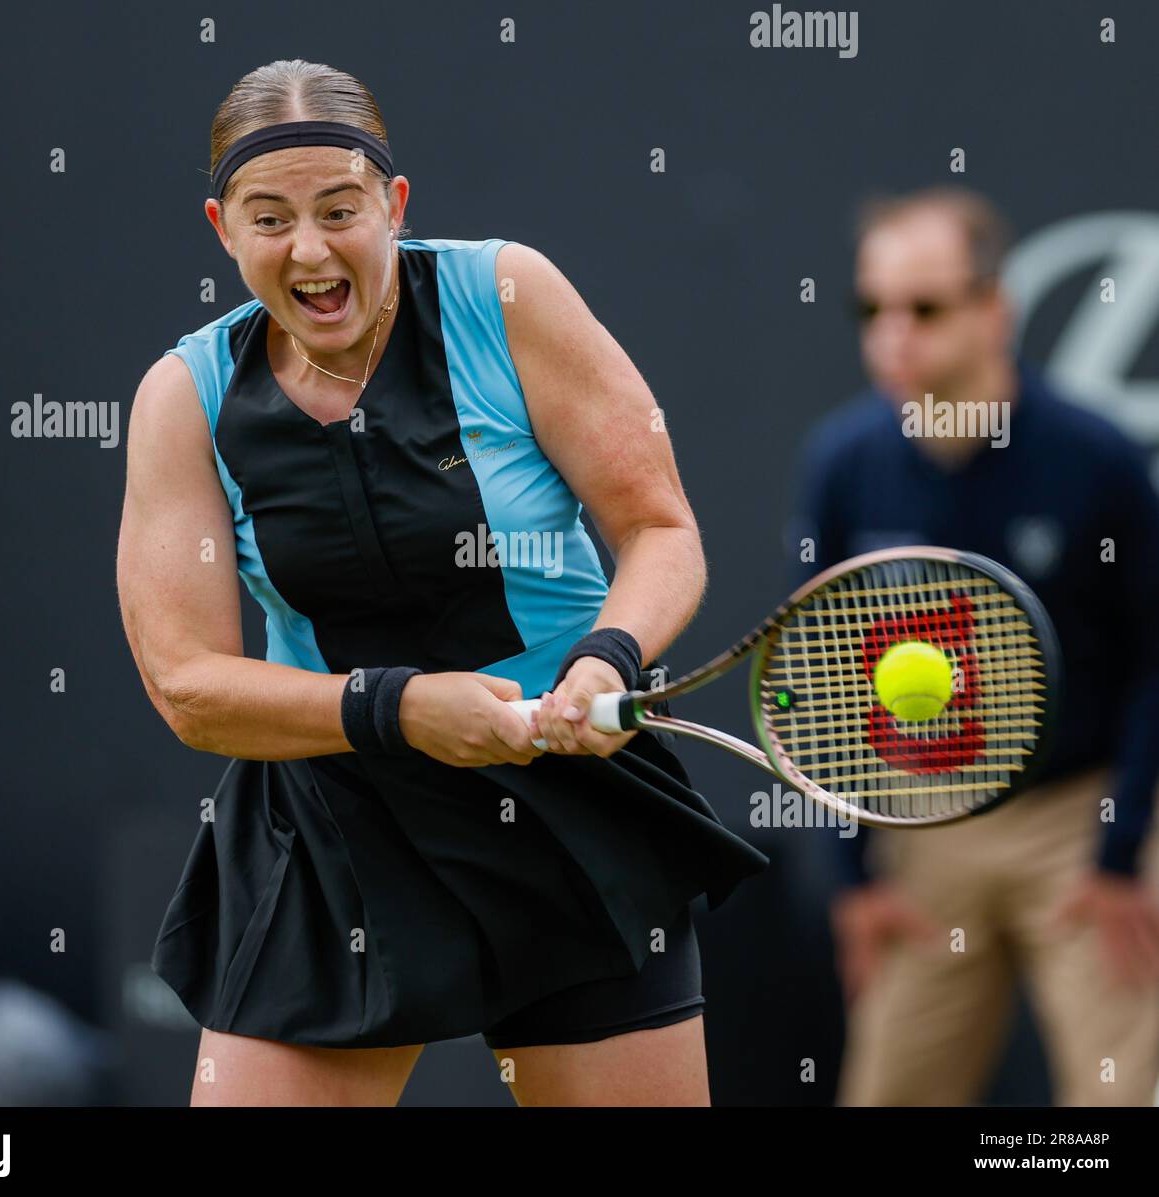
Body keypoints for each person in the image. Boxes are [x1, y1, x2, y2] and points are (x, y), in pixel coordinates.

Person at [116, 58, 767, 1107]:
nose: (312, 249)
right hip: (333, 824)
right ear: (222, 229)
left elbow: (658, 527)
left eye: (340, 210)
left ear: (395, 204)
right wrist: (400, 710)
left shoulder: (507, 296)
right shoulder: (183, 398)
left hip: (567, 804)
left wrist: (608, 658)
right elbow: (187, 686)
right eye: (270, 219)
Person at [790, 185, 1159, 1106]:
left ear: (997, 308)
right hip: (924, 833)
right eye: (871, 308)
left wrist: (1121, 858)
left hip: (1081, 828)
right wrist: (854, 879)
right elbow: (822, 675)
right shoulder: (842, 462)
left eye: (926, 306)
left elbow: (1156, 661)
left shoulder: (1097, 459)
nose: (893, 332)